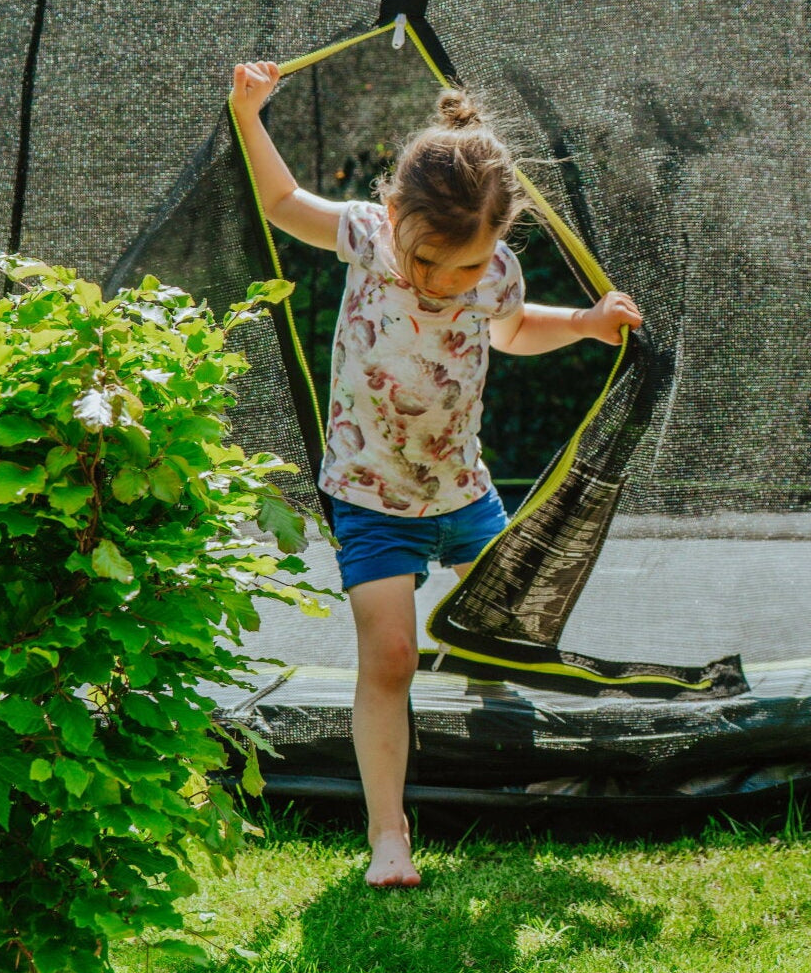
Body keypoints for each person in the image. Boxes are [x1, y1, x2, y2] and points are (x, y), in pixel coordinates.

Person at [230, 60, 642, 887]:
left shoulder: (495, 273)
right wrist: (249, 113)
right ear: (394, 214)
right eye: (430, 263)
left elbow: (513, 332)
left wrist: (585, 322)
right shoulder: (365, 235)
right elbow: (281, 203)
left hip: (463, 493)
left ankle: (500, 748)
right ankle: (389, 833)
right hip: (372, 499)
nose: (445, 284)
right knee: (390, 658)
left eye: (466, 268)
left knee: (508, 635)